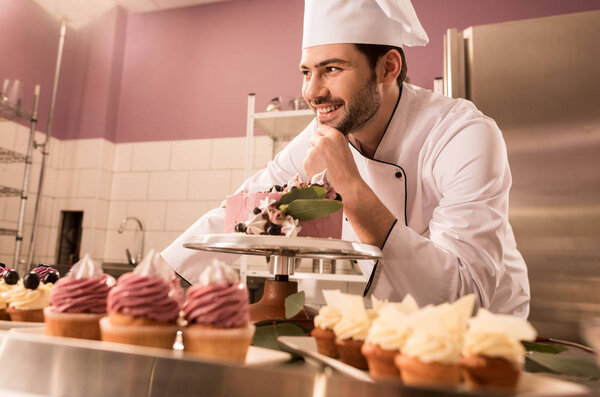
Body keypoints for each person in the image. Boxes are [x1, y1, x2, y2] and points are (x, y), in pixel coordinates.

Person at [162, 0, 530, 318]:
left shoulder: (462, 134)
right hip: (394, 322)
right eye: (307, 72)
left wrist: (350, 188)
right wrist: (162, 279)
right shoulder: (320, 132)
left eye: (332, 70)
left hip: (487, 334)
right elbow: (247, 209)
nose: (312, 91)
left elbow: (464, 295)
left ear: (389, 67)